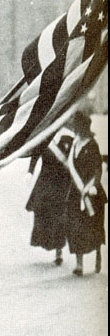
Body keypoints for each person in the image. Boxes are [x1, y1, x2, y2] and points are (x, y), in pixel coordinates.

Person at [64, 111, 107, 276]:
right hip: (75, 193)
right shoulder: (75, 144)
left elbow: (98, 169)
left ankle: (97, 254)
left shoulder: (92, 144)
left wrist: (94, 186)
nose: (75, 129)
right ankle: (79, 264)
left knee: (94, 228)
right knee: (75, 228)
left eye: (77, 126)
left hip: (91, 193)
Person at [26, 133, 73, 266]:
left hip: (61, 184)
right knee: (41, 213)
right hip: (45, 182)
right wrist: (30, 171)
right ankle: (46, 242)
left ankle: (59, 251)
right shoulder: (45, 137)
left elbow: (74, 160)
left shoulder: (69, 138)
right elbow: (35, 154)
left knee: (59, 217)